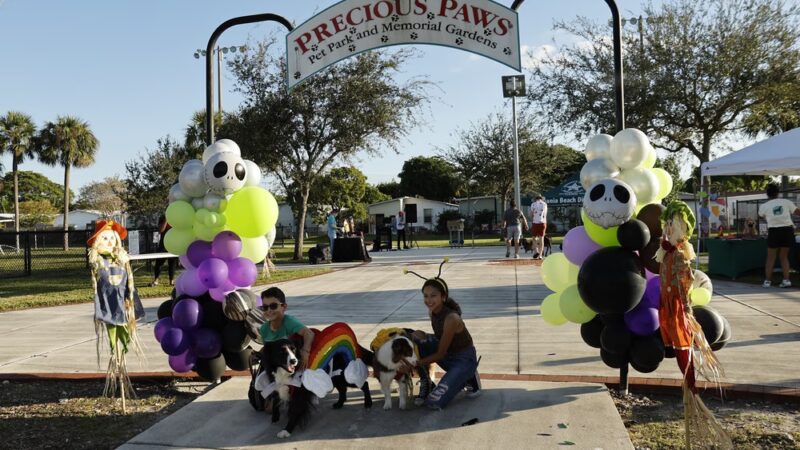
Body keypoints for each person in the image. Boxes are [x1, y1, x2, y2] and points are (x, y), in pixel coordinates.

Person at [655, 202, 731, 448]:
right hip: (667, 310)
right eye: (666, 224)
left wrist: (683, 307)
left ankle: (692, 391)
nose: (667, 229)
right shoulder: (665, 252)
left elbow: (682, 286)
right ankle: (690, 392)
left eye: (672, 224)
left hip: (677, 312)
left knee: (683, 350)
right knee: (678, 351)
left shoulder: (678, 255)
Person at [401, 260, 480, 410]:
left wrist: (413, 364)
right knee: (416, 338)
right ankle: (427, 381)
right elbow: (440, 337)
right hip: (448, 354)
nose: (429, 300)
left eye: (433, 296)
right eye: (425, 296)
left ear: (443, 297)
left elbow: (439, 354)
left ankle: (469, 376)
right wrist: (422, 335)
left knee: (434, 402)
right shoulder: (432, 311)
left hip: (463, 358)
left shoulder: (451, 318)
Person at [88, 219, 144, 406]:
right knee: (114, 343)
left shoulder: (123, 259)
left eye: (112, 238)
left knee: (124, 336)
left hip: (124, 303)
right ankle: (116, 367)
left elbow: (129, 285)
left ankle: (123, 378)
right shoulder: (98, 261)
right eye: (105, 238)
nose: (110, 241)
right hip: (108, 305)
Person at [259, 287, 315, 370]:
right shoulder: (264, 329)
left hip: (292, 364)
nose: (269, 310)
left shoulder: (289, 322)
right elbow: (269, 349)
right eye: (265, 307)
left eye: (273, 306)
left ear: (284, 307)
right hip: (278, 367)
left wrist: (305, 352)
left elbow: (309, 334)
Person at [758, 184, 799, 288]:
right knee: (784, 257)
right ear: (778, 192)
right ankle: (786, 280)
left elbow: (761, 216)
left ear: (767, 194)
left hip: (774, 231)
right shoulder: (786, 202)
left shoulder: (764, 206)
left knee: (771, 257)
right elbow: (798, 212)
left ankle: (767, 281)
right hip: (787, 230)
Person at [150, 214, 177, 287]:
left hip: (174, 244)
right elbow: (161, 230)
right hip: (163, 245)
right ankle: (156, 280)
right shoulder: (162, 217)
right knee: (159, 263)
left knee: (172, 263)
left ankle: (171, 280)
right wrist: (166, 219)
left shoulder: (177, 217)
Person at [530, 195, 548, 259]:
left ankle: (536, 251)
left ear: (535, 199)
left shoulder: (533, 204)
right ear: (541, 198)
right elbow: (545, 214)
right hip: (543, 223)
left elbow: (531, 215)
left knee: (534, 238)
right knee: (541, 239)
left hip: (535, 223)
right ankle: (540, 255)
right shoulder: (544, 204)